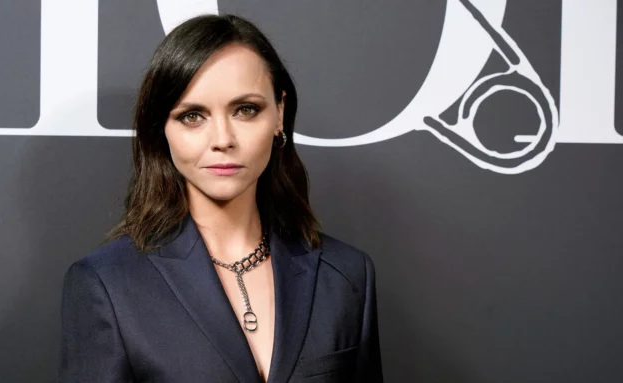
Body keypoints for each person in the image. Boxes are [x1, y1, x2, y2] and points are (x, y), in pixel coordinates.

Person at [57, 13, 383, 383]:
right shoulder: (106, 283)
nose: (222, 139)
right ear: (161, 129)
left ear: (280, 113)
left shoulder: (347, 274)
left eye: (246, 110)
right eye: (192, 116)